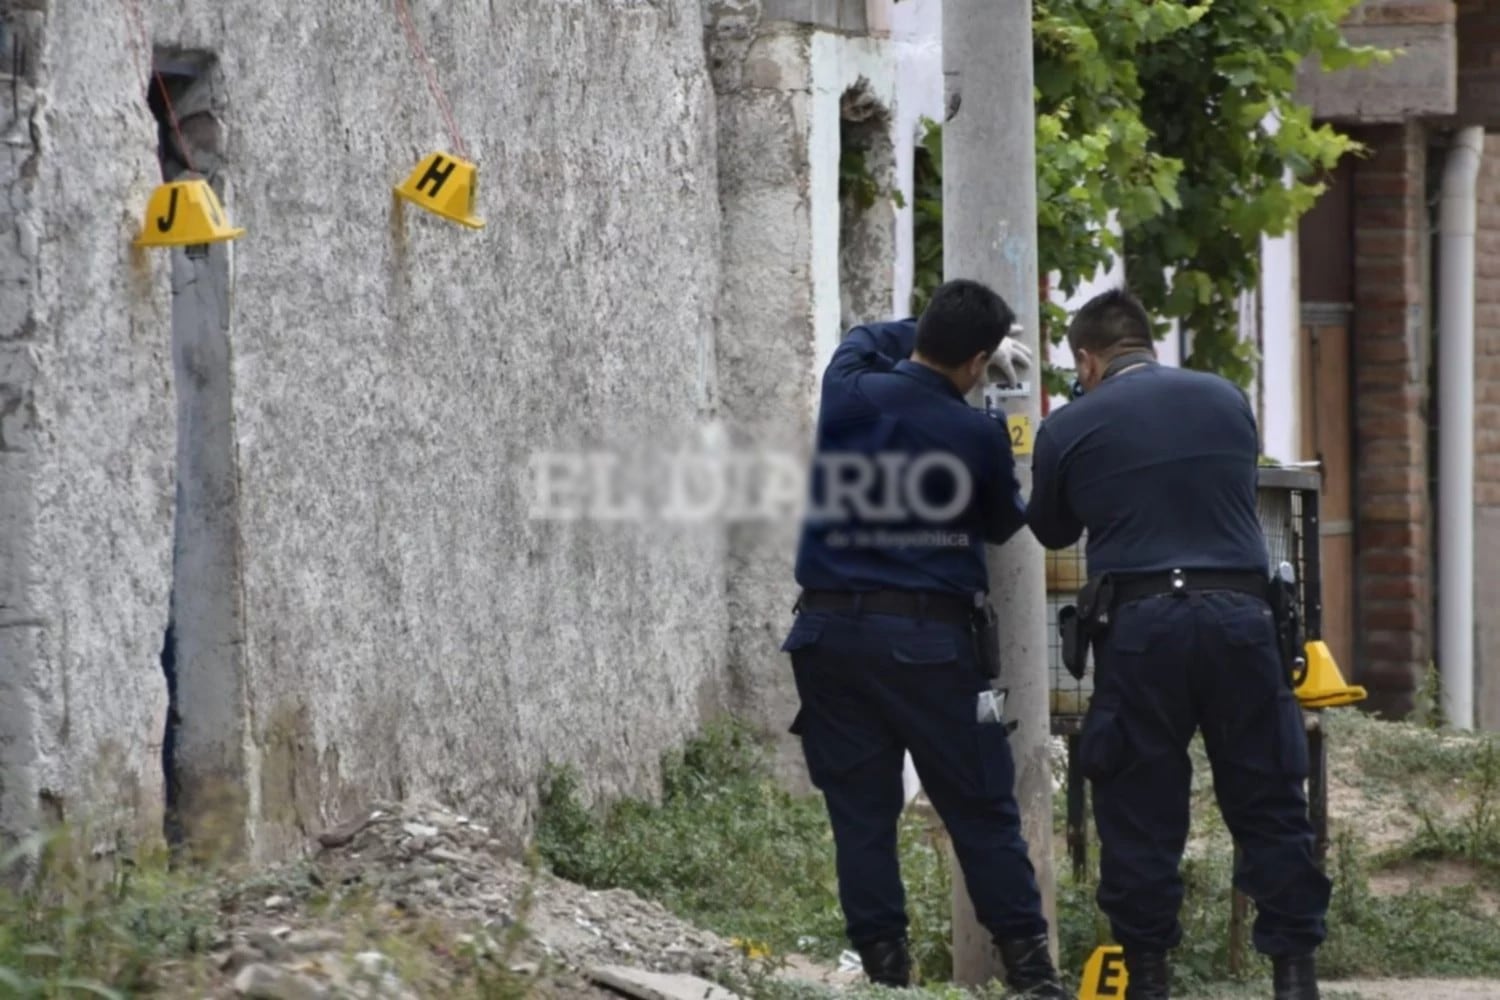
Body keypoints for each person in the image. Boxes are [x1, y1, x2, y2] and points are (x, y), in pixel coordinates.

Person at [1025, 288, 1331, 1000]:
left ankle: (1150, 975)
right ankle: (1295, 974)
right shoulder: (1226, 398)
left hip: (1142, 628)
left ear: (1086, 359)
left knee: (1139, 802)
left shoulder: (1072, 422)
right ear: (1147, 343)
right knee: (1268, 794)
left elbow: (1049, 530)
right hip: (1241, 621)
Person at [781, 278, 1066, 997]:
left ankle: (888, 978)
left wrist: (941, 329)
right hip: (927, 646)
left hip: (826, 639)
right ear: (978, 361)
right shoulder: (976, 433)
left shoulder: (847, 389)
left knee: (862, 816)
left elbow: (866, 337)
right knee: (980, 809)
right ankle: (1032, 976)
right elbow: (1005, 524)